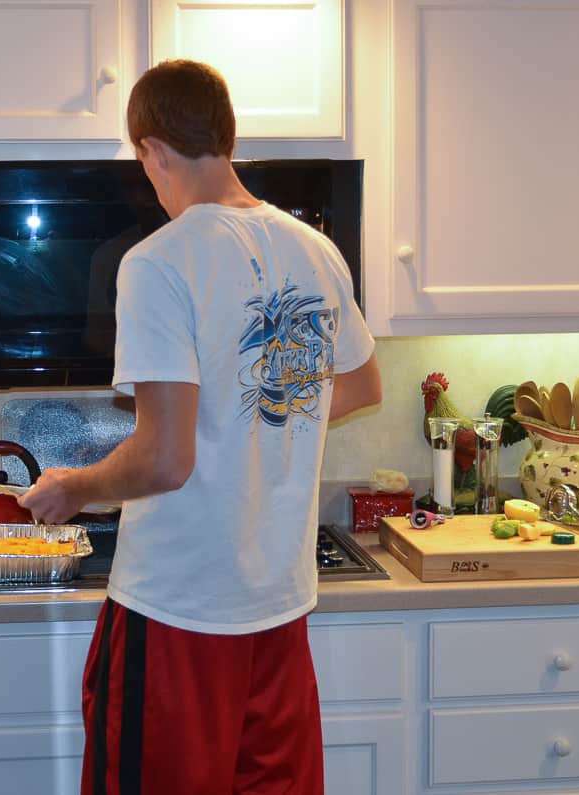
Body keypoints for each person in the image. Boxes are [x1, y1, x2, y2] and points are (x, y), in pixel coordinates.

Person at [19, 59, 382, 795]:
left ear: (150, 148)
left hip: (179, 609)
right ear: (225, 135)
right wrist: (256, 420)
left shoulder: (159, 261)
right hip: (277, 606)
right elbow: (360, 384)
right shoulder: (316, 250)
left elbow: (163, 459)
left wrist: (74, 488)